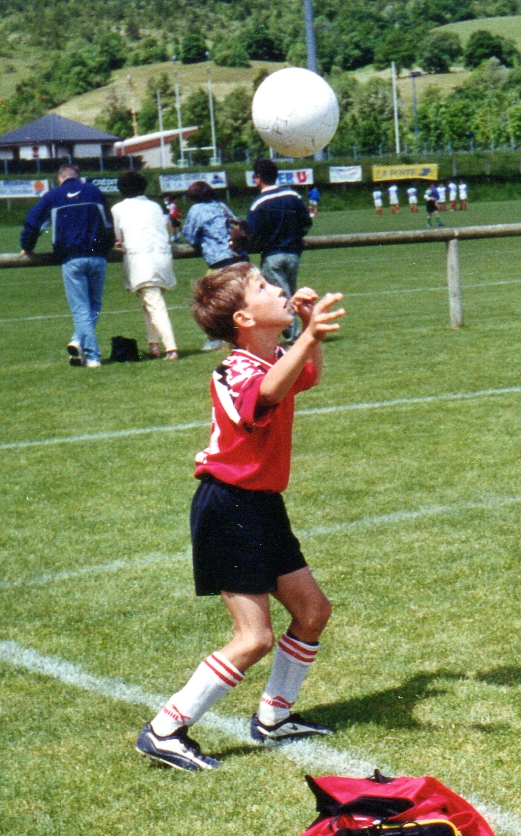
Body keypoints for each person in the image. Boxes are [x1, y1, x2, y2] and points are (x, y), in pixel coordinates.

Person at [136, 261, 345, 772]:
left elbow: (305, 376)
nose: (277, 288)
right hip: (228, 506)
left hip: (259, 504)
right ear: (244, 320)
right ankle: (166, 729)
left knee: (313, 611)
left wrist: (308, 334)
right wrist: (308, 333)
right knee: (254, 637)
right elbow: (267, 395)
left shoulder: (272, 356)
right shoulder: (235, 369)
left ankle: (274, 718)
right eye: (262, 287)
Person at [20, 163, 115, 368]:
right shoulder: (95, 192)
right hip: (98, 257)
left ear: (60, 178)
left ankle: (92, 355)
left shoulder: (53, 196)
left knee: (80, 308)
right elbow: (109, 224)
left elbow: (32, 222)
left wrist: (26, 246)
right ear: (79, 177)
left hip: (71, 258)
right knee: (94, 304)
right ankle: (78, 341)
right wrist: (106, 249)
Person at [112, 171, 178, 361]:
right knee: (150, 303)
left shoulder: (118, 209)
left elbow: (118, 237)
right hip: (163, 258)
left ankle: (171, 348)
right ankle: (153, 345)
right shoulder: (155, 206)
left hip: (142, 260)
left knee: (155, 305)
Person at [246, 158, 312, 344]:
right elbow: (306, 224)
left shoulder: (259, 203)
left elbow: (252, 234)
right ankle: (297, 332)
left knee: (280, 298)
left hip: (272, 255)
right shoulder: (293, 196)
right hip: (293, 254)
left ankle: (295, 336)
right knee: (289, 294)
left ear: (258, 178)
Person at [183, 179, 249, 351]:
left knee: (210, 299)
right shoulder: (222, 206)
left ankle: (215, 338)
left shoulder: (196, 209)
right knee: (243, 298)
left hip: (220, 260)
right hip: (240, 257)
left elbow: (189, 235)